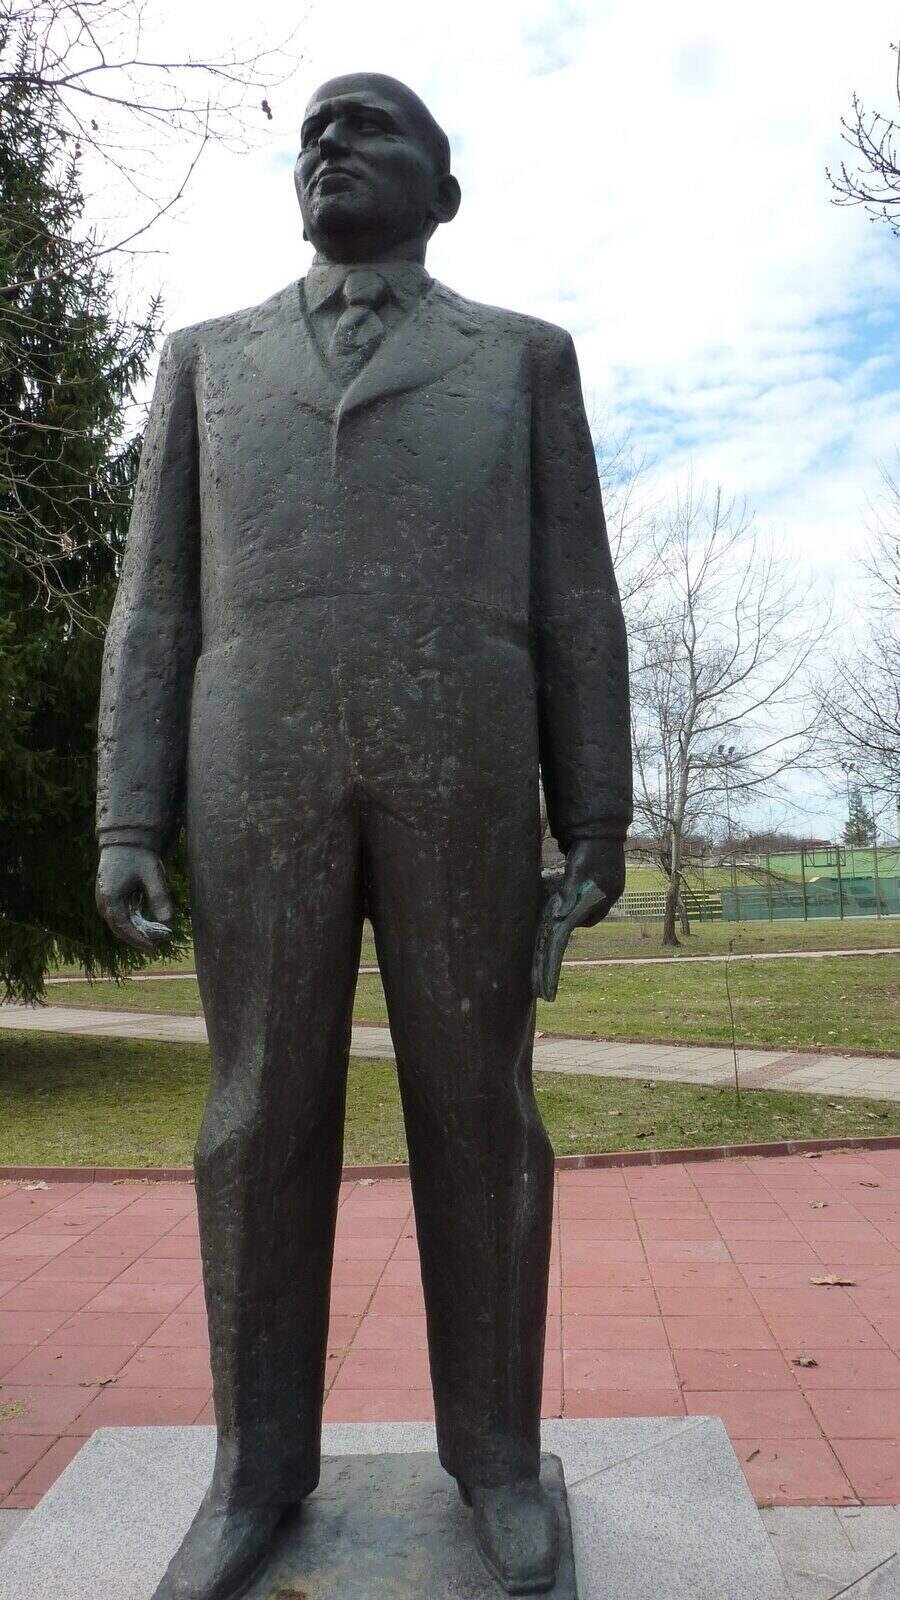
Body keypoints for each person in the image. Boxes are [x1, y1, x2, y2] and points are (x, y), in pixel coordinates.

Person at [96, 72, 631, 1599]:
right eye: (314, 131)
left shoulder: (520, 359)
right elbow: (155, 600)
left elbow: (577, 591)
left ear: (441, 192)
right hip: (253, 771)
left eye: (370, 125)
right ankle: (252, 1471)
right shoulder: (208, 362)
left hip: (465, 768)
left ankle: (500, 1464)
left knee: (481, 1110)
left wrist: (596, 807)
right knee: (257, 1109)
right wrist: (130, 808)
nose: (331, 143)